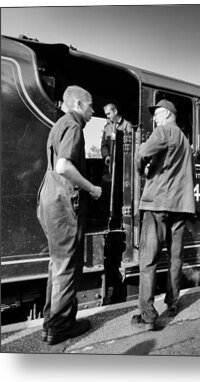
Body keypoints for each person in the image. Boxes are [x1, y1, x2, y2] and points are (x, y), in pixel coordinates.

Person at [37, 85, 102, 345]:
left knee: (56, 263)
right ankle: (61, 327)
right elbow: (64, 166)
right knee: (68, 265)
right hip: (64, 202)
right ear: (77, 105)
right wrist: (92, 188)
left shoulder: (59, 124)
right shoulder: (74, 126)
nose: (93, 111)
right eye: (90, 106)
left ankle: (50, 323)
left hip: (49, 197)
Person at [132, 99, 195, 330]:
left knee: (148, 260)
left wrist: (142, 170)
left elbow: (141, 152)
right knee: (175, 258)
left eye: (157, 114)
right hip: (180, 206)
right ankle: (173, 303)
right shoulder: (185, 140)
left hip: (158, 203)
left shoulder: (163, 131)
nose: (155, 119)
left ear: (168, 114)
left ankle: (147, 316)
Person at [100, 103, 133, 229]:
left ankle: (121, 220)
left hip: (124, 167)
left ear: (115, 111)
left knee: (122, 192)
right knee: (108, 190)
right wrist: (106, 156)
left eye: (109, 114)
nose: (108, 117)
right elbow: (103, 145)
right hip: (110, 166)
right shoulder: (107, 127)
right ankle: (108, 217)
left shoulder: (127, 125)